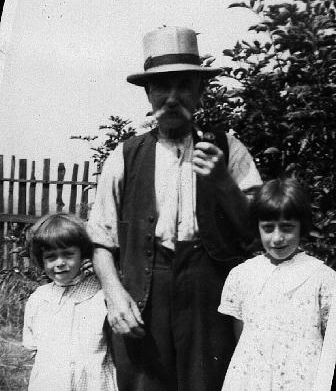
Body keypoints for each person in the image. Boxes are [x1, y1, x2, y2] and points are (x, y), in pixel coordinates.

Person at [87, 26, 262, 391]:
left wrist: (222, 184)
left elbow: (253, 233)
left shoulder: (230, 150)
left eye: (183, 86)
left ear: (200, 92)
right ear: (148, 93)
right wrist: (114, 295)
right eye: (162, 87)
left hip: (210, 293)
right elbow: (101, 240)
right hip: (143, 293)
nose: (172, 98)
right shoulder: (125, 155)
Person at [218, 177, 336, 390]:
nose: (277, 238)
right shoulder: (243, 275)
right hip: (253, 379)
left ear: (302, 226)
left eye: (287, 227)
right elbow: (241, 335)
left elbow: (331, 343)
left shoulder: (322, 278)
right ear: (257, 228)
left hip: (303, 379)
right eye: (268, 228)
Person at [22, 213, 117, 391]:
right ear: (41, 260)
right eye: (51, 257)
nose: (60, 263)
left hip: (93, 383)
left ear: (83, 254)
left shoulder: (100, 295)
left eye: (68, 254)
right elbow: (32, 345)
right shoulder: (39, 299)